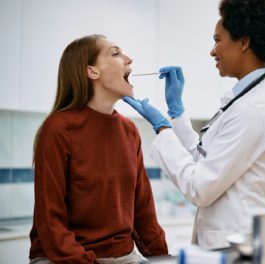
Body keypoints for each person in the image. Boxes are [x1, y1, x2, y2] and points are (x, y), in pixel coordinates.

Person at [124, 0, 265, 250]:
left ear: (244, 42)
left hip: (237, 247)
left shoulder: (253, 110)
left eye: (217, 39)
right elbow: (205, 163)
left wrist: (163, 127)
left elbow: (200, 187)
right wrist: (177, 114)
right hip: (232, 243)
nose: (213, 51)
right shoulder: (246, 100)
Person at [29, 34, 168, 264]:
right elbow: (51, 223)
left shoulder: (129, 130)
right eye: (115, 53)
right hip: (65, 257)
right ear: (92, 71)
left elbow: (143, 212)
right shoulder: (58, 129)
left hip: (123, 256)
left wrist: (164, 259)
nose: (129, 59)